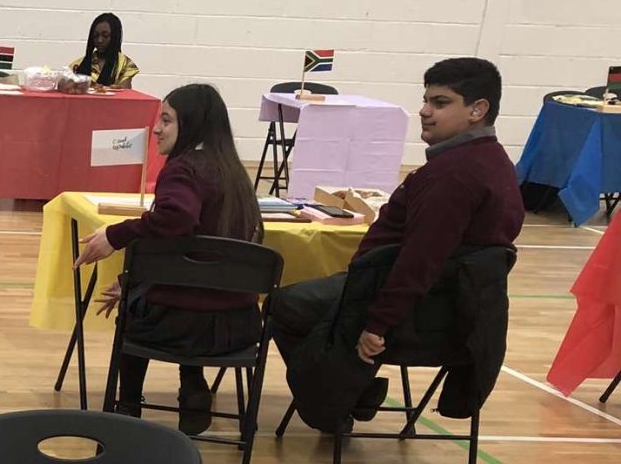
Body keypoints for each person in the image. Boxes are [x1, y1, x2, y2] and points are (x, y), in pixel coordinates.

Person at [269, 57, 523, 424]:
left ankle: (336, 400)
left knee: (283, 304)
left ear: (477, 110)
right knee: (316, 302)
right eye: (425, 100)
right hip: (462, 312)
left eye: (440, 103)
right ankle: (351, 390)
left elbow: (420, 261)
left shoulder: (453, 175)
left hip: (418, 314)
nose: (424, 111)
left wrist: (378, 323)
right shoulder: (495, 162)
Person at [75, 83, 263, 436]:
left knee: (134, 311)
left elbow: (177, 219)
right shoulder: (237, 174)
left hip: (180, 328)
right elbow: (199, 254)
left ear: (191, 124)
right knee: (158, 297)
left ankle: (127, 409)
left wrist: (116, 235)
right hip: (237, 328)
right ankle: (192, 386)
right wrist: (135, 281)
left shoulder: (184, 170)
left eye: (166, 120)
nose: (156, 129)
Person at [73, 13, 138, 89]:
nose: (99, 40)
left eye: (105, 36)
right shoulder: (78, 65)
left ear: (115, 37)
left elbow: (124, 92)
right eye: (95, 36)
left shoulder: (125, 64)